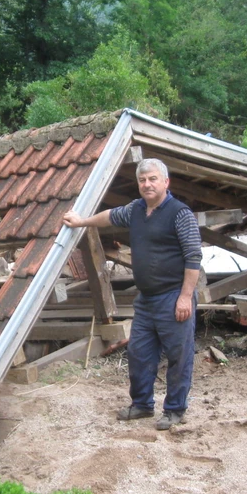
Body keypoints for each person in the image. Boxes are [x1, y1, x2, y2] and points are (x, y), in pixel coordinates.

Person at [62, 158, 201, 430]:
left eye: (152, 179)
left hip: (173, 297)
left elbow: (193, 258)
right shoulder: (136, 210)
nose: (147, 184)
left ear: (165, 182)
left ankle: (174, 410)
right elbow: (109, 216)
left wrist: (185, 297)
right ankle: (142, 405)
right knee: (139, 353)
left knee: (178, 356)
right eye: (142, 180)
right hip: (147, 299)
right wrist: (81, 222)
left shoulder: (179, 213)